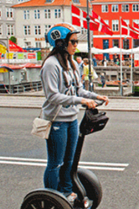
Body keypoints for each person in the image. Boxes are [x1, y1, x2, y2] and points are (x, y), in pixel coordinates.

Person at [41, 23, 109, 204]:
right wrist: (81, 101)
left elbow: (78, 90)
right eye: (73, 41)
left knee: (69, 161)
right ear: (61, 43)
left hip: (71, 119)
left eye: (76, 41)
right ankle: (53, 197)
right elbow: (53, 96)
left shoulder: (71, 64)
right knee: (56, 163)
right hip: (56, 121)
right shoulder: (50, 65)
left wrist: (96, 96)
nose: (76, 45)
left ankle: (66, 192)